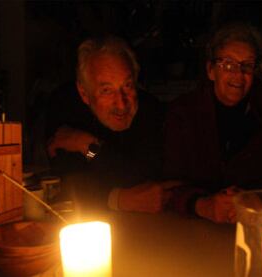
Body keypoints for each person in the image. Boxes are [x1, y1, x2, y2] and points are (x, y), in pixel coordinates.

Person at [163, 22, 262, 223]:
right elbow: (168, 185)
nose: (238, 74)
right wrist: (204, 205)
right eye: (228, 64)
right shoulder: (183, 113)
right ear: (211, 70)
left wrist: (260, 201)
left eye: (247, 65)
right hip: (190, 228)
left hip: (251, 226)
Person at [45, 36, 173, 214]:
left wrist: (86, 145)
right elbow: (70, 186)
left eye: (127, 86)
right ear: (84, 92)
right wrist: (118, 200)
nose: (121, 104)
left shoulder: (150, 110)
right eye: (107, 90)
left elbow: (142, 178)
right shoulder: (65, 110)